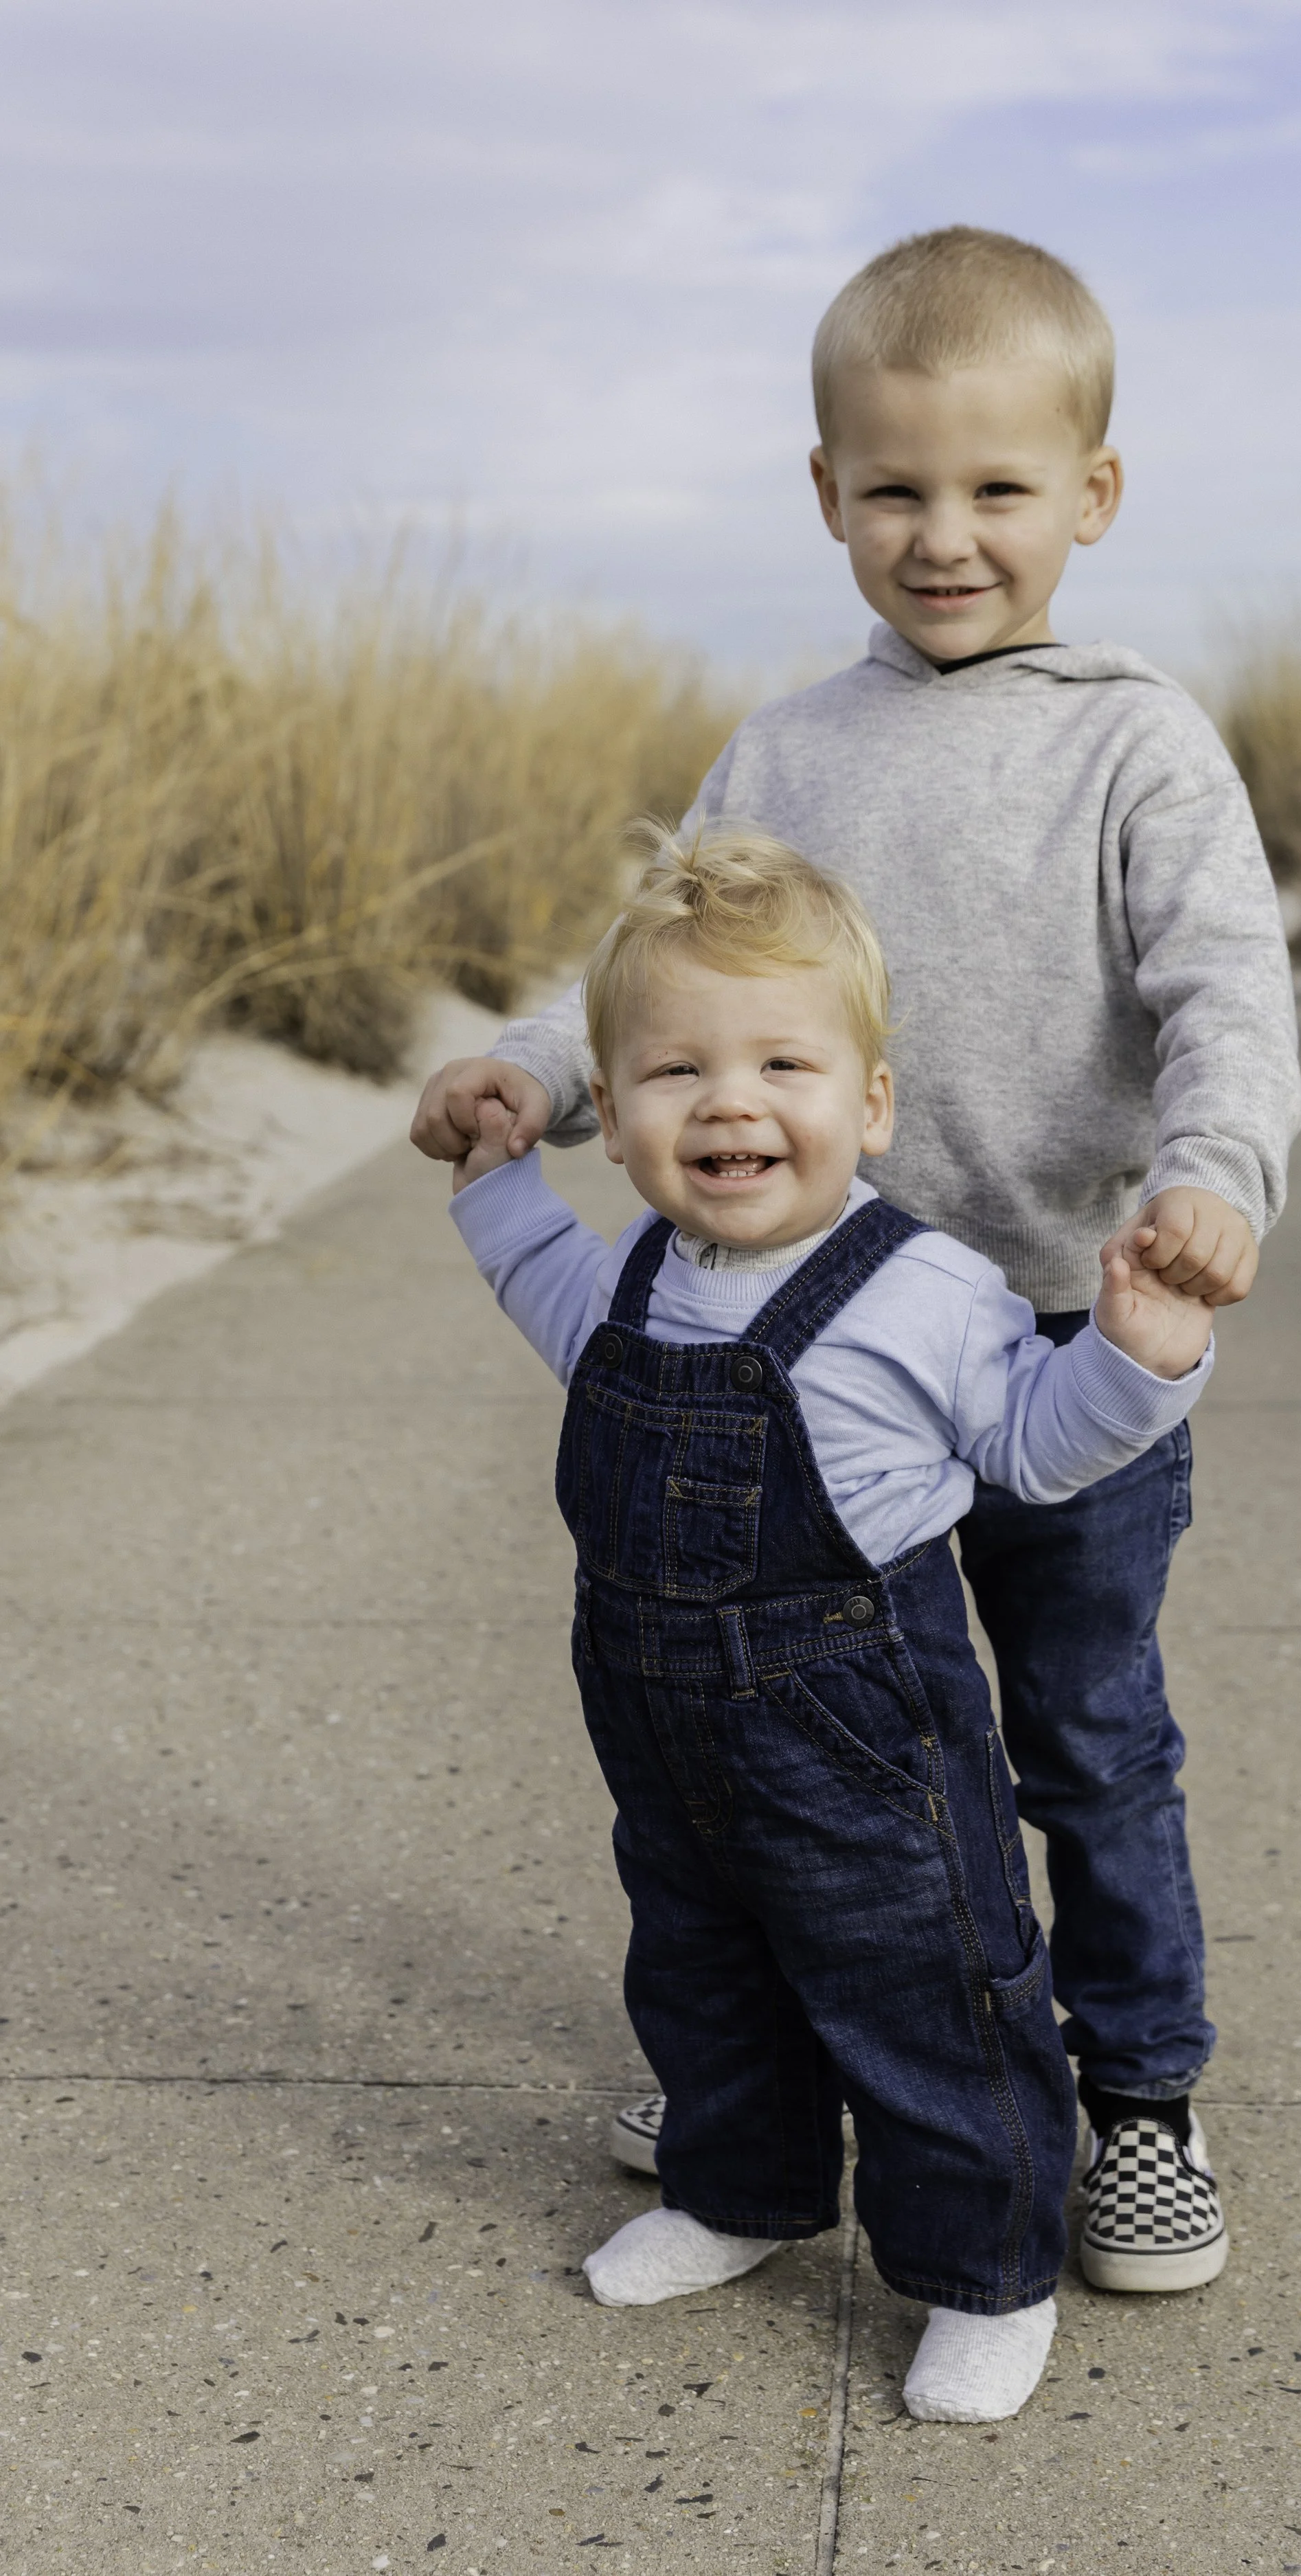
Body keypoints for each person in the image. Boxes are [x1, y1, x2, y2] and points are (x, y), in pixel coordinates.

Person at [413, 225, 1301, 2298]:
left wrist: (1217, 1176)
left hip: (1076, 1323)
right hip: (826, 1356)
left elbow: (1222, 997)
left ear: (1091, 493)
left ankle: (1140, 2092)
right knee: (810, 1749)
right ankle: (781, 2074)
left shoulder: (1135, 745)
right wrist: (533, 1081)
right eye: (893, 487)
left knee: (1082, 1733)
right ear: (823, 492)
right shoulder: (792, 749)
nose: (944, 534)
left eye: (998, 488)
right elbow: (670, 976)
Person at [446, 826, 1213, 2423]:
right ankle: (739, 2193)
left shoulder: (919, 1288)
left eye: (783, 1063)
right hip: (661, 1723)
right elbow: (544, 1296)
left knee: (925, 1981)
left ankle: (984, 2268)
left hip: (860, 1720)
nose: (728, 1102)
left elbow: (1027, 1446)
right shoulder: (639, 1274)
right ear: (618, 1107)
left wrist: (1135, 1360)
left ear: (867, 1106)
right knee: (705, 1965)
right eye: (672, 1072)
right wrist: (494, 1179)